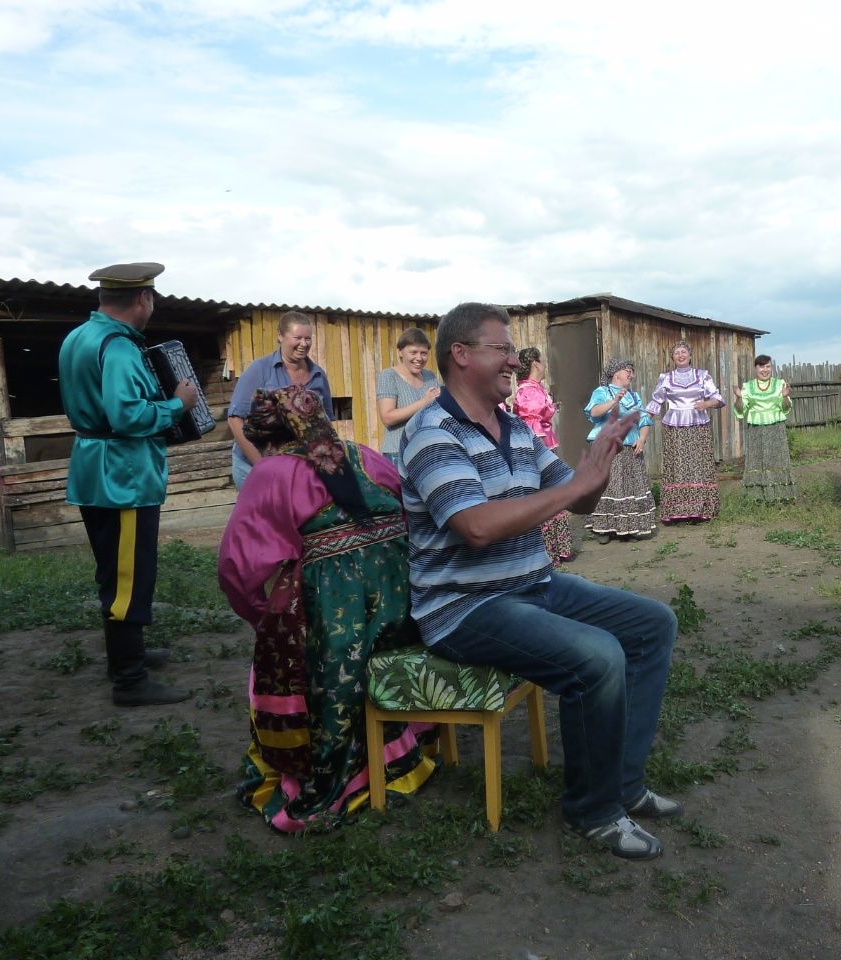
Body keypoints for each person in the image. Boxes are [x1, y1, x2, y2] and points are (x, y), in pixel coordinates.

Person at [401, 303, 680, 860]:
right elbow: (475, 527)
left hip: (532, 585)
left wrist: (596, 462)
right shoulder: (431, 432)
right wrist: (572, 487)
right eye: (501, 348)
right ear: (461, 355)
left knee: (653, 624)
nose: (512, 359)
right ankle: (593, 811)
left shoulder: (516, 430)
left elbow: (577, 497)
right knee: (598, 656)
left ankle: (623, 786)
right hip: (466, 606)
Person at [218, 385, 436, 831]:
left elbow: (237, 568)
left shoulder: (273, 472)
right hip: (402, 600)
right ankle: (400, 748)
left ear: (269, 437)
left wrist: (265, 615)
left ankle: (337, 773)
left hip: (337, 611)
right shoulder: (367, 457)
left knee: (301, 652)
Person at [58, 262, 197, 707]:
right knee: (130, 576)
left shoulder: (78, 338)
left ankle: (126, 654)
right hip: (124, 478)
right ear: (143, 299)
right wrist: (178, 405)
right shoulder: (117, 348)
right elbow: (127, 416)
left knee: (113, 570)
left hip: (94, 469)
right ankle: (130, 680)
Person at [227, 311, 334, 489]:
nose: (303, 344)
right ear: (280, 336)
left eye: (308, 339)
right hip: (254, 465)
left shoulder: (318, 375)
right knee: (263, 514)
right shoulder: (260, 369)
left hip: (297, 467)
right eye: (297, 337)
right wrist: (262, 465)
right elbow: (234, 420)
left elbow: (326, 424)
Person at [645, 341, 726, 523]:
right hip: (675, 427)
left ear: (690, 355)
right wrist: (642, 421)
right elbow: (656, 402)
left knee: (698, 464)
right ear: (672, 357)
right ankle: (676, 510)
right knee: (677, 464)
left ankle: (701, 509)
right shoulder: (666, 377)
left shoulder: (703, 375)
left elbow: (718, 398)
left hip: (698, 425)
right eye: (677, 353)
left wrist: (706, 404)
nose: (680, 355)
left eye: (683, 352)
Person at [514, 347, 576, 564]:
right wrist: (541, 457)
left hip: (548, 446)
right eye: (542, 361)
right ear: (536, 364)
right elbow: (531, 423)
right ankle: (548, 552)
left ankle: (559, 548)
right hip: (539, 451)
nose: (545, 365)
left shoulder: (536, 388)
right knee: (545, 496)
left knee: (554, 494)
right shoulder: (528, 391)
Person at [584, 358, 656, 542]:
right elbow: (593, 413)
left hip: (628, 445)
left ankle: (629, 527)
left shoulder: (634, 396)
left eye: (632, 371)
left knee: (628, 485)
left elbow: (644, 419)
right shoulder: (602, 392)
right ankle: (603, 529)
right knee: (608, 484)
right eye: (627, 371)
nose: (631, 374)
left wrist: (642, 438)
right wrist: (614, 400)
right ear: (616, 373)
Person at [732, 354, 796, 501]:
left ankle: (781, 496)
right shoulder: (748, 386)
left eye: (768, 366)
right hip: (756, 429)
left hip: (776, 428)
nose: (765, 370)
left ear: (771, 367)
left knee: (777, 459)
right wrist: (739, 397)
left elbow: (786, 408)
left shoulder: (780, 384)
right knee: (757, 460)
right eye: (761, 366)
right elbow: (740, 410)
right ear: (756, 368)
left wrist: (785, 396)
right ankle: (757, 497)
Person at [377, 327, 441, 473]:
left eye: (424, 353)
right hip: (398, 454)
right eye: (413, 352)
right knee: (401, 496)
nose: (419, 358)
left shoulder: (430, 377)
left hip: (427, 452)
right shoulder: (389, 376)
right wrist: (424, 402)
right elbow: (388, 417)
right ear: (400, 352)